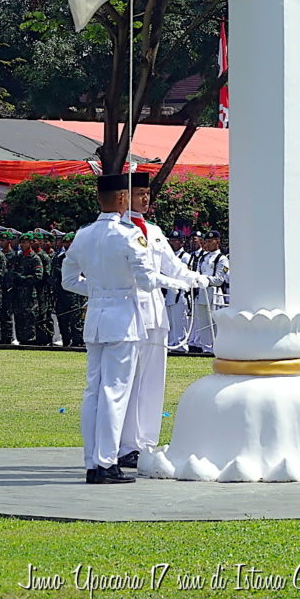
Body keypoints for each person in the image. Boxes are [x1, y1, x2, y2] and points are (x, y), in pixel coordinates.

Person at [61, 173, 186, 484]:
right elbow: (145, 281)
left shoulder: (84, 234)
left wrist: (100, 291)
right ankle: (106, 463)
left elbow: (69, 280)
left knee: (93, 391)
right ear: (121, 198)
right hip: (124, 320)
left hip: (97, 318)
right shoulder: (129, 235)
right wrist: (175, 282)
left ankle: (93, 461)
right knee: (114, 392)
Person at [117, 173, 210, 468]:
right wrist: (176, 280)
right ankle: (126, 444)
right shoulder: (120, 229)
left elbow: (174, 266)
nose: (145, 198)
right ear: (124, 196)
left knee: (154, 381)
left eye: (147, 193)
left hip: (157, 313)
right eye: (139, 193)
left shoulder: (154, 231)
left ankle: (147, 442)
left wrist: (199, 279)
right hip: (131, 311)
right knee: (131, 381)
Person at [189, 230, 229, 356]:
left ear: (217, 241)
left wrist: (204, 279)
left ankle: (217, 348)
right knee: (202, 322)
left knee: (214, 323)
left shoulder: (221, 259)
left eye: (210, 241)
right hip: (201, 293)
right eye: (206, 241)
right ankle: (206, 348)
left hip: (213, 293)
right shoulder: (203, 257)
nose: (208, 244)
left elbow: (219, 279)